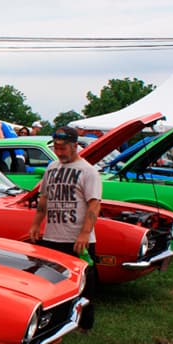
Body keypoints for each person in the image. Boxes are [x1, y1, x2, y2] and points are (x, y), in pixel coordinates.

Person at [29, 127, 101, 331]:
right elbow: (44, 199)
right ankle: (57, 322)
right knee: (53, 284)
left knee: (84, 285)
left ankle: (85, 325)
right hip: (53, 237)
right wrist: (36, 224)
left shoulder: (88, 171)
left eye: (63, 148)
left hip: (77, 240)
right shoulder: (52, 168)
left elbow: (94, 204)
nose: (59, 152)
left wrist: (85, 233)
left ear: (74, 146)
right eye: (57, 148)